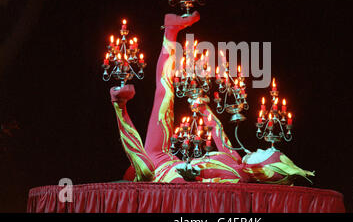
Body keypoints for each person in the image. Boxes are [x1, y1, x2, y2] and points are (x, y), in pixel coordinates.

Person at [110, 12, 314, 184]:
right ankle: (171, 32)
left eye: (264, 153)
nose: (260, 147)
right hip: (165, 159)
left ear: (263, 168)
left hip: (161, 175)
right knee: (165, 94)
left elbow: (211, 186)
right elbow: (217, 131)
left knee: (145, 171)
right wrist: (204, 108)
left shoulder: (238, 179)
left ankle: (119, 105)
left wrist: (193, 176)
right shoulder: (233, 156)